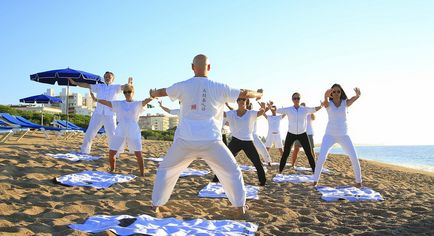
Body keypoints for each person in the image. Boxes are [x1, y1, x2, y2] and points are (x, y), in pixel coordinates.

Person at [149, 54, 263, 216]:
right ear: (209, 68)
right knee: (232, 171)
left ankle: (155, 205)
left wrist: (153, 93)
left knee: (166, 169)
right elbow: (244, 93)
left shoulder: (183, 85)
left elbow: (162, 92)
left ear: (192, 67)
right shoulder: (218, 86)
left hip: (185, 141)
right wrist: (258, 95)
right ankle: (240, 206)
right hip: (211, 141)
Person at [90, 82, 152, 177]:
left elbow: (146, 101)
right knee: (112, 152)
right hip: (120, 129)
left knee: (138, 153)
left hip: (133, 130)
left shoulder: (137, 104)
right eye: (125, 92)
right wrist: (96, 99)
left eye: (129, 92)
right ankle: (112, 169)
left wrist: (153, 96)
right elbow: (107, 102)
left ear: (133, 92)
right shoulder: (119, 103)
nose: (127, 94)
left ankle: (142, 174)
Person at [313, 84, 362, 187]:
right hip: (329, 136)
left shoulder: (345, 103)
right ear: (331, 93)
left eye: (338, 91)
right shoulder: (328, 103)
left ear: (341, 93)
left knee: (354, 157)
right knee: (322, 157)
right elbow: (325, 102)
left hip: (344, 136)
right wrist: (325, 96)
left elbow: (353, 99)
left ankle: (358, 182)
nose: (336, 93)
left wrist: (357, 95)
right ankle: (315, 181)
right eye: (334, 92)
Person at [68, 72, 126, 155]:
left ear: (113, 79)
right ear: (104, 78)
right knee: (90, 132)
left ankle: (116, 153)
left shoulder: (116, 87)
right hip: (98, 113)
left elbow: (125, 87)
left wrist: (129, 83)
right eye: (106, 77)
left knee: (112, 134)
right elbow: (87, 85)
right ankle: (84, 151)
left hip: (110, 114)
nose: (107, 78)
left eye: (109, 77)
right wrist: (75, 83)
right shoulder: (99, 86)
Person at [212, 98, 267, 185]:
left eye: (243, 100)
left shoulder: (250, 113)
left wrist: (263, 106)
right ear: (237, 102)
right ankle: (216, 179)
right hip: (235, 141)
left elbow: (261, 112)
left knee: (257, 161)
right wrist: (216, 104)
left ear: (246, 102)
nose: (242, 101)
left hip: (248, 141)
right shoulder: (232, 113)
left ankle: (262, 181)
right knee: (225, 159)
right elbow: (220, 114)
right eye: (240, 99)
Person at [277, 92, 322, 173]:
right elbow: (278, 110)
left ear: (300, 99)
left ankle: (315, 172)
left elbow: (314, 109)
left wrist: (322, 105)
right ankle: (280, 171)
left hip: (302, 134)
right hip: (291, 134)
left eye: (298, 98)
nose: (296, 100)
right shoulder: (289, 109)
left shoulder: (304, 109)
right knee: (286, 154)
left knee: (309, 153)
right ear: (292, 100)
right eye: (295, 98)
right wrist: (270, 108)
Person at [225, 101, 272, 165]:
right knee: (234, 151)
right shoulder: (243, 113)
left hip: (253, 136)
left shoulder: (253, 113)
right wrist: (228, 105)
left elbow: (263, 111)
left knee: (262, 148)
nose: (250, 106)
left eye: (251, 105)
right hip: (245, 136)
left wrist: (267, 107)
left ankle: (268, 161)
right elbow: (233, 111)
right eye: (249, 105)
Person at [290, 103, 316, 167]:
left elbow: (314, 118)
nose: (302, 107)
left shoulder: (309, 113)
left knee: (311, 150)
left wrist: (310, 111)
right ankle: (292, 164)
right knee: (296, 149)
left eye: (304, 106)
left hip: (309, 134)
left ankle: (313, 164)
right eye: (301, 106)